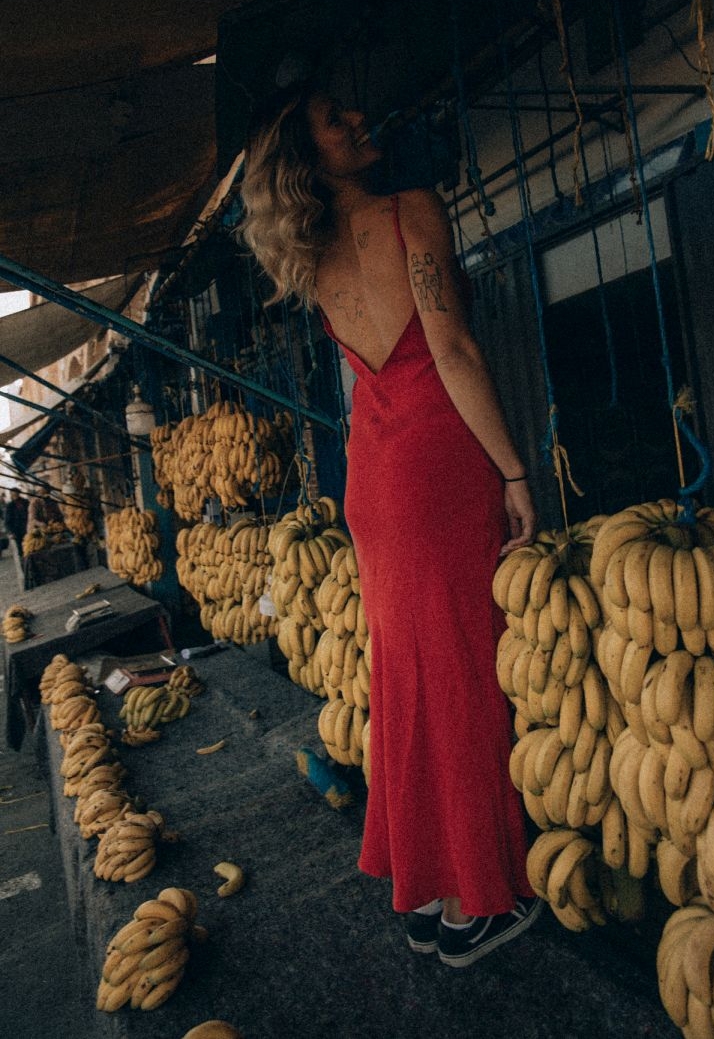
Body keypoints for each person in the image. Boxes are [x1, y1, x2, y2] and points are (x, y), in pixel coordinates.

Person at [241, 86, 540, 968]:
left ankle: (424, 893)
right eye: (338, 119)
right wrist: (515, 470)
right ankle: (479, 902)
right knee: (462, 681)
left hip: (373, 470)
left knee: (408, 683)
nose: (360, 119)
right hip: (436, 463)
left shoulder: (313, 259)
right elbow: (452, 350)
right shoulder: (411, 212)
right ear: (310, 155)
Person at [6, 488, 29, 557]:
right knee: (21, 549)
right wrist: (11, 532)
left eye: (16, 493)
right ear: (11, 495)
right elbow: (8, 520)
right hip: (17, 530)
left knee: (31, 545)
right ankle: (24, 564)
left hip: (27, 527)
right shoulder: (10, 505)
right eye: (13, 494)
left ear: (19, 493)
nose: (15, 495)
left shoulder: (25, 502)